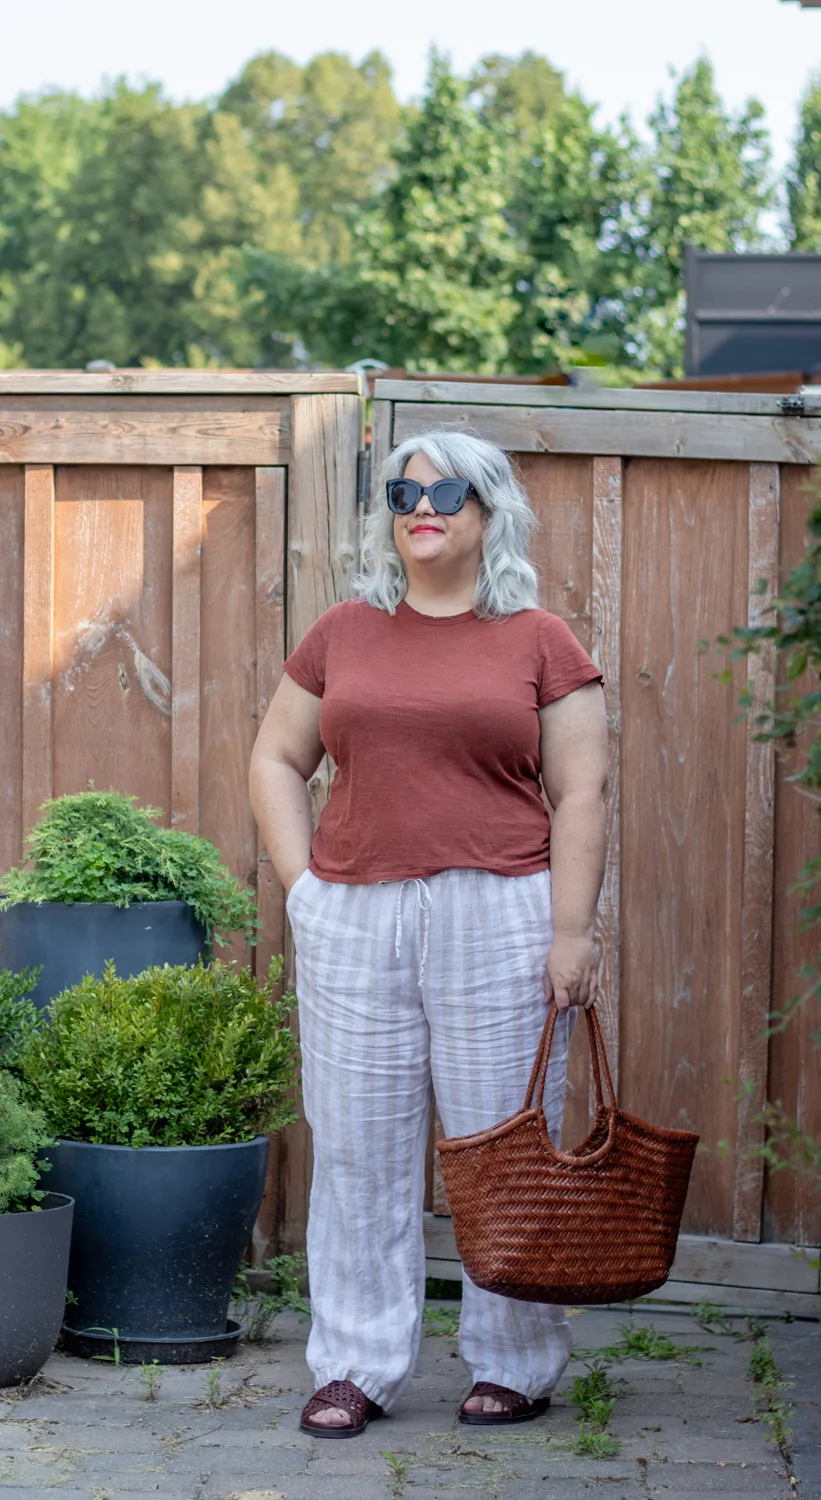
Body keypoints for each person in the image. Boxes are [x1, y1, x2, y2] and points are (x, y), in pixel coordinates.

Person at [248, 429, 609, 1438]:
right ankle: (355, 1365)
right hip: (355, 915)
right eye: (403, 494)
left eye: (446, 494)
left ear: (488, 512)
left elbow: (582, 792)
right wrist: (304, 890)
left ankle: (515, 1361)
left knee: (503, 1147)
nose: (422, 509)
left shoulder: (539, 639)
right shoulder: (343, 632)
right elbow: (276, 758)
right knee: (356, 1147)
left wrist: (572, 931)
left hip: (500, 913)